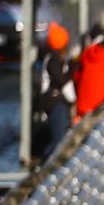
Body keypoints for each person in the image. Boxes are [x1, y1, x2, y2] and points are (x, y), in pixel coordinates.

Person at [31, 21, 78, 156]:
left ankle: (49, 159)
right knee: (59, 140)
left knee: (59, 137)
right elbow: (62, 80)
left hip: (54, 102)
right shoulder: (54, 60)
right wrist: (72, 99)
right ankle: (48, 162)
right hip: (55, 103)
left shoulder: (52, 58)